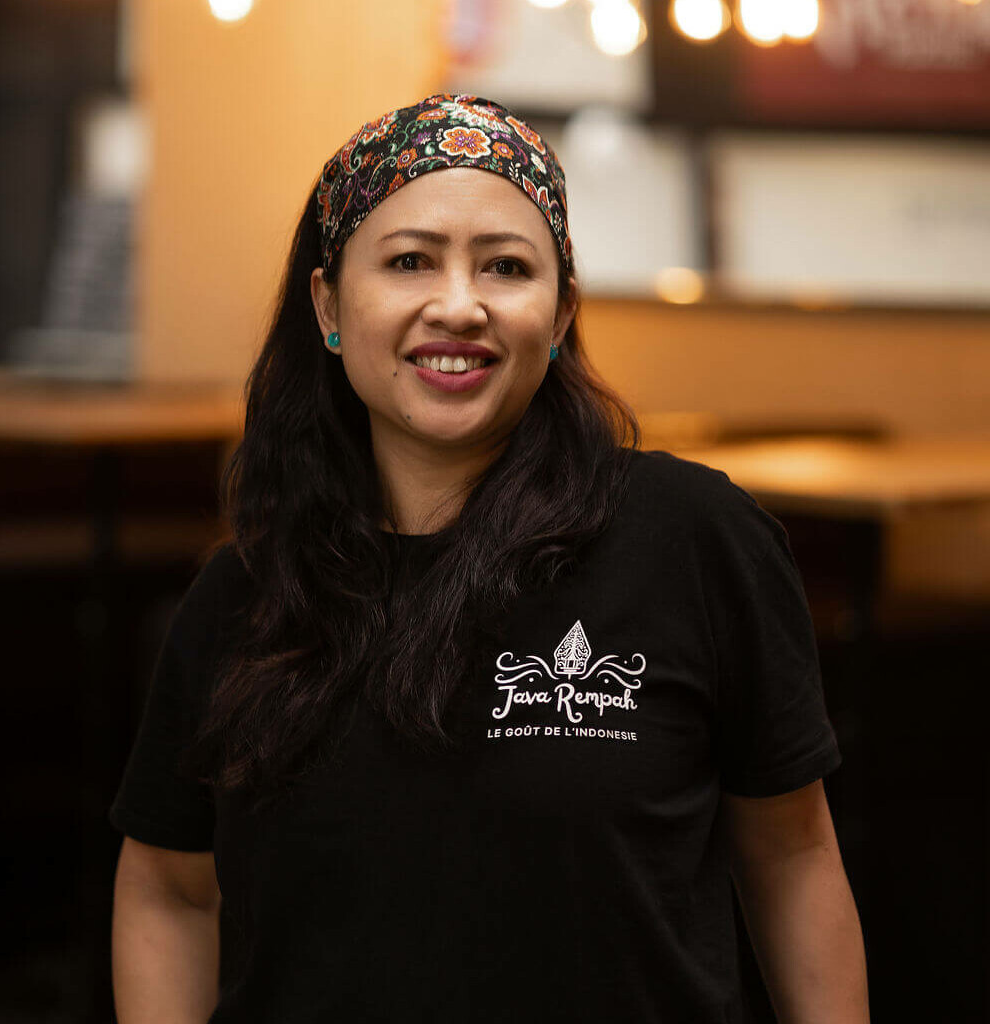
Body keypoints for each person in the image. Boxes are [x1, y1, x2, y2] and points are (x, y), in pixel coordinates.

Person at [109, 94, 869, 1023]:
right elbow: (169, 890)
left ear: (558, 317)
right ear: (328, 305)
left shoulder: (692, 537)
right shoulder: (246, 598)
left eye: (506, 267)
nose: (459, 305)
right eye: (409, 261)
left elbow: (791, 857)